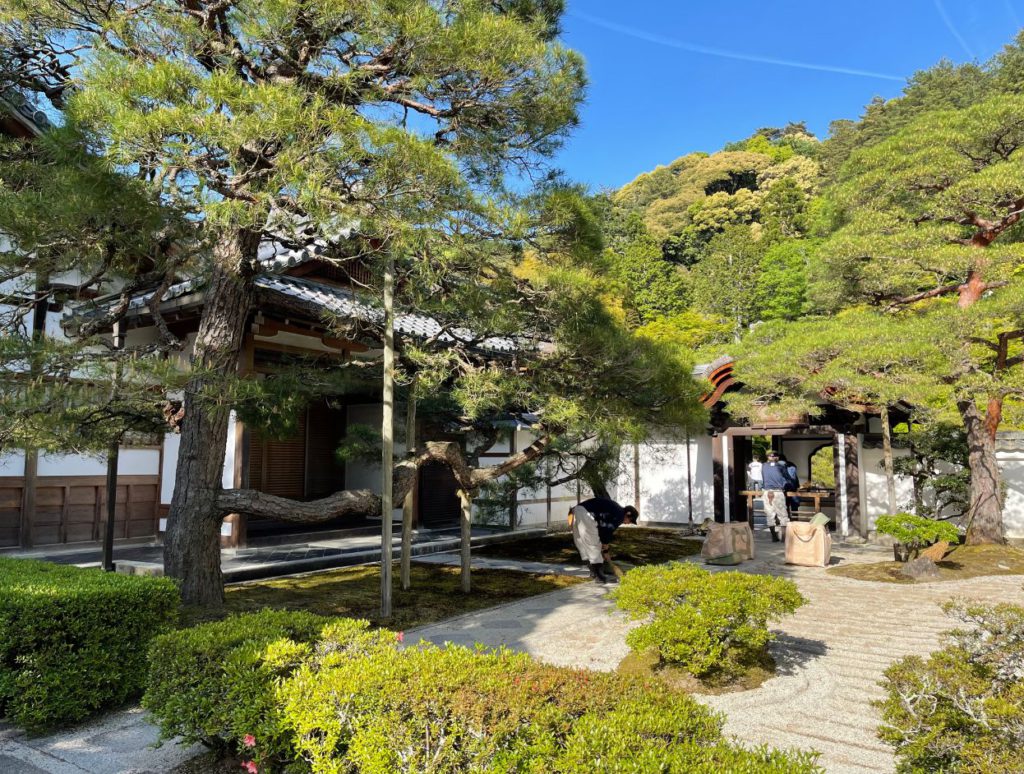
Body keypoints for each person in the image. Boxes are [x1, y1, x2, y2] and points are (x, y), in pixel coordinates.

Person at [569, 497, 639, 583]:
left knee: (581, 542)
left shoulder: (615, 510)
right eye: (630, 521)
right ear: (627, 515)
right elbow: (606, 531)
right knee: (593, 544)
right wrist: (606, 551)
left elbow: (602, 528)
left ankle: (594, 573)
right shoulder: (619, 515)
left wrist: (605, 548)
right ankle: (600, 577)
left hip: (577, 510)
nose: (628, 523)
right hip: (587, 514)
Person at [761, 451, 792, 542]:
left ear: (768, 457)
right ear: (777, 458)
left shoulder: (764, 466)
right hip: (778, 491)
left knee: (770, 514)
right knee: (783, 514)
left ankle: (774, 536)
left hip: (767, 492)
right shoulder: (781, 466)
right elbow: (788, 478)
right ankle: (783, 537)